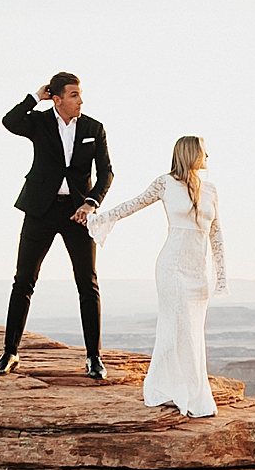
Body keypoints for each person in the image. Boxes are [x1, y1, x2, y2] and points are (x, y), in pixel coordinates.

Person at [89, 136, 227, 417]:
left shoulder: (211, 190)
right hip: (172, 268)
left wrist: (220, 275)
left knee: (193, 331)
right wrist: (100, 217)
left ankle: (186, 390)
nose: (207, 156)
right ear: (190, 153)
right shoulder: (165, 183)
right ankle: (178, 391)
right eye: (203, 151)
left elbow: (216, 234)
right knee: (178, 328)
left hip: (197, 273)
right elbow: (134, 204)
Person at [0, 74, 114, 379]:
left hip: (78, 214)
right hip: (40, 210)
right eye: (74, 95)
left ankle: (94, 358)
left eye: (80, 94)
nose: (80, 101)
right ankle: (10, 353)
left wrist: (91, 203)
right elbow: (10, 121)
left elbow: (106, 173)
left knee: (88, 284)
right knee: (23, 281)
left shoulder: (93, 128)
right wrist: (35, 98)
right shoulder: (40, 122)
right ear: (57, 98)